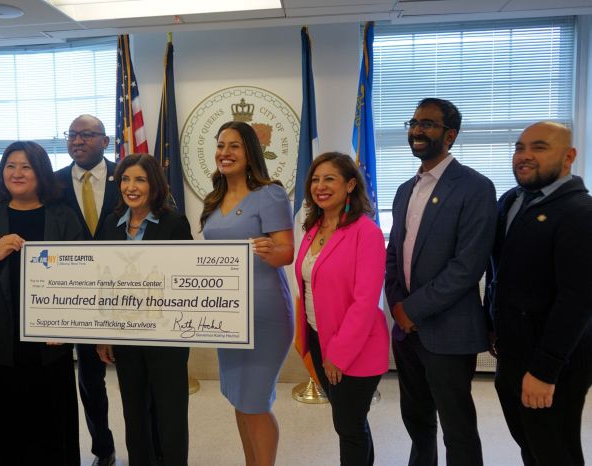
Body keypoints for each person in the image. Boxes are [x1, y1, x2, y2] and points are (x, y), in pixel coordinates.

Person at [0, 141, 82, 466]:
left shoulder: (63, 215)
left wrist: (71, 324)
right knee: (1, 422)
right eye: (11, 165)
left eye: (26, 166)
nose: (17, 173)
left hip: (50, 341)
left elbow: (85, 271)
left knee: (50, 420)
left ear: (41, 172)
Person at [384, 98, 497, 466]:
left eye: (428, 124)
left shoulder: (476, 187)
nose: (417, 130)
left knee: (457, 427)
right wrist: (398, 306)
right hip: (407, 333)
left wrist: (410, 309)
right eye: (414, 122)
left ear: (450, 135)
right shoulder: (405, 189)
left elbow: (468, 266)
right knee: (417, 421)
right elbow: (393, 255)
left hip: (448, 331)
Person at [486, 121, 592, 466]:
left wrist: (545, 371)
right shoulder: (512, 201)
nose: (525, 156)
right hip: (512, 352)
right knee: (530, 445)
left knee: (554, 451)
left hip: (554, 363)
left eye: (539, 147)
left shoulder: (581, 213)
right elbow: (501, 273)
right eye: (519, 147)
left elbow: (577, 301)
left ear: (569, 156)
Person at [200, 120, 294, 466]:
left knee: (255, 403)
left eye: (234, 146)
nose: (225, 153)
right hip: (227, 316)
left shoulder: (269, 193)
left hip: (264, 313)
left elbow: (287, 251)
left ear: (250, 151)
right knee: (239, 401)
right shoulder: (215, 198)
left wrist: (270, 249)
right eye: (221, 145)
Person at [96, 154, 192, 466]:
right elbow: (102, 281)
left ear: (154, 185)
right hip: (125, 335)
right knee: (133, 410)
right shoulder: (110, 224)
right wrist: (102, 335)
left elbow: (185, 281)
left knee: (170, 412)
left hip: (166, 337)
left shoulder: (174, 223)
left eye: (140, 179)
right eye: (125, 179)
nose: (131, 186)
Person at [294, 152, 388, 465]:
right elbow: (311, 285)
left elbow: (365, 301)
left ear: (350, 185)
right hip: (319, 339)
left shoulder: (366, 232)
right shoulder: (313, 228)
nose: (320, 186)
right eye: (315, 179)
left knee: (347, 425)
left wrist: (339, 353)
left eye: (329, 178)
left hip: (354, 348)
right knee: (350, 423)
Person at [56, 114, 117, 466]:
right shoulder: (52, 183)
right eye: (73, 135)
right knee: (91, 380)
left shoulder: (127, 177)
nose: (78, 141)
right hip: (78, 294)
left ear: (105, 141)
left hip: (126, 291)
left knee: (137, 376)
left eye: (88, 135)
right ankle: (103, 449)